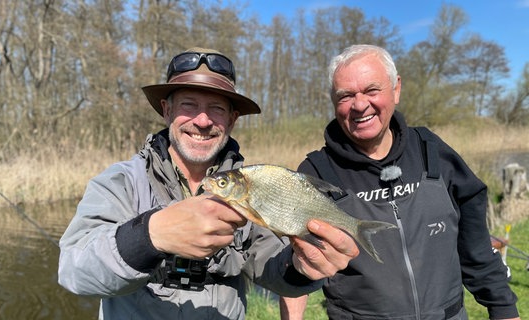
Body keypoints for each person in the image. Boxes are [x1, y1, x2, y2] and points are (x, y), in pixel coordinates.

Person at [58, 47, 359, 320]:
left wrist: (304, 268)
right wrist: (151, 235)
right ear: (167, 110)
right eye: (189, 104)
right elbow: (74, 271)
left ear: (232, 119)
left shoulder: (251, 187)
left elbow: (275, 268)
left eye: (216, 108)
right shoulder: (120, 181)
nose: (202, 121)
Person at [280, 44, 520, 320]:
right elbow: (296, 260)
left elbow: (475, 240)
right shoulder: (316, 172)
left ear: (396, 89)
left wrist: (503, 308)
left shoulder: (431, 151)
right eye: (346, 95)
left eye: (372, 90)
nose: (360, 105)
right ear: (334, 102)